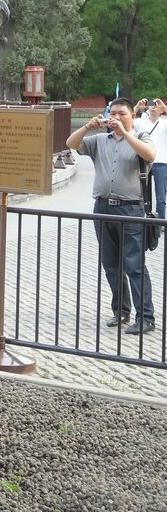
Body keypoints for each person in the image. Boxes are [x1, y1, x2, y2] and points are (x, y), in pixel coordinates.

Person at [66, 97, 157, 336]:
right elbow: (71, 143)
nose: (115, 117)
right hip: (103, 208)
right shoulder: (99, 141)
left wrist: (126, 133)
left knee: (134, 265)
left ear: (132, 116)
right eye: (112, 113)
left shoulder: (140, 138)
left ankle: (146, 316)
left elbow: (150, 155)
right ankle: (121, 311)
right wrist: (88, 126)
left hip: (131, 210)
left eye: (121, 113)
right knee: (111, 265)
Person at [133, 97, 167, 218]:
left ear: (161, 110)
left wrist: (164, 107)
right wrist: (137, 107)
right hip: (144, 161)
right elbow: (124, 122)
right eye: (151, 104)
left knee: (161, 196)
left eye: (156, 104)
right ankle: (144, 219)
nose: (154, 106)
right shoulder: (140, 122)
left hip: (161, 161)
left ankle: (160, 222)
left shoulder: (164, 123)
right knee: (143, 195)